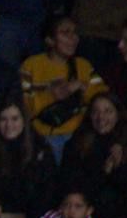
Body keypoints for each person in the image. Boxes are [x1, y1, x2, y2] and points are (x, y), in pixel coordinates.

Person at [21, 16, 107, 158]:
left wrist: (82, 88)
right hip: (42, 137)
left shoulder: (83, 65)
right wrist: (52, 95)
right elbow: (21, 107)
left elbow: (103, 98)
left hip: (77, 136)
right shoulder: (31, 65)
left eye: (75, 33)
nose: (73, 38)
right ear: (50, 40)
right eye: (66, 33)